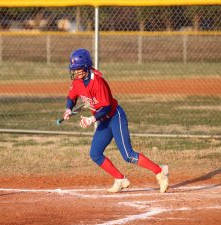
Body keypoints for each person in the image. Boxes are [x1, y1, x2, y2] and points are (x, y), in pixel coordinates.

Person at [63, 48, 169, 193]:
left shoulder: (98, 82)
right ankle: (120, 179)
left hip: (114, 117)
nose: (75, 72)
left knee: (128, 155)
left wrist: (91, 119)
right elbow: (71, 97)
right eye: (73, 69)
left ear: (86, 67)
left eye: (78, 69)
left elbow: (106, 107)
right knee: (95, 153)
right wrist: (68, 109)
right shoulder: (77, 82)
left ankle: (160, 171)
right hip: (103, 121)